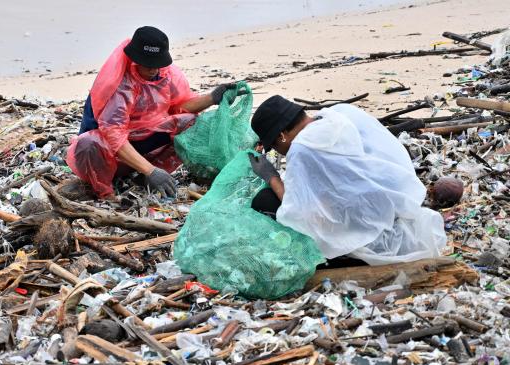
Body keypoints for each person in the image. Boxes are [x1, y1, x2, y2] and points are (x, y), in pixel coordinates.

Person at [248, 95, 447, 265]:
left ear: (282, 135)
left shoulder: (302, 149)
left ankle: (337, 259)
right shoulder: (340, 113)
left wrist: (271, 176)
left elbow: (298, 212)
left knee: (265, 201)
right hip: (398, 205)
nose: (277, 151)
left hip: (368, 231)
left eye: (274, 145)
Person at [67, 26, 235, 198]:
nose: (154, 70)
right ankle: (106, 191)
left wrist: (213, 98)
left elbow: (179, 107)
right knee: (89, 143)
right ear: (135, 59)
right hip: (105, 155)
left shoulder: (165, 75)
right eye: (148, 64)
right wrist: (151, 170)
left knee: (191, 122)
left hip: (141, 144)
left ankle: (145, 177)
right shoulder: (119, 84)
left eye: (157, 64)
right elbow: (113, 134)